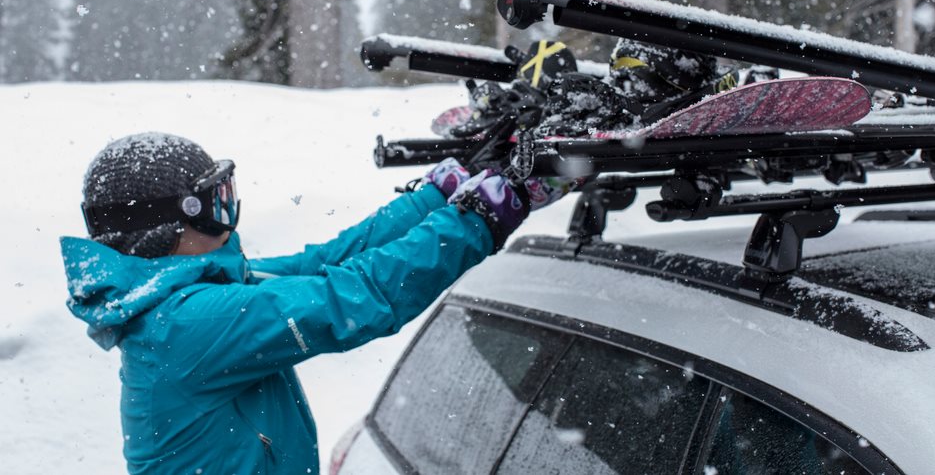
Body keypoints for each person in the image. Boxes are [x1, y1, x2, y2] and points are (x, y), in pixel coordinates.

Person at [61, 132, 574, 474]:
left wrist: (440, 196)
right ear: (169, 228)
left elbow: (328, 262)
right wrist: (480, 218)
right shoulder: (188, 323)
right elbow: (351, 295)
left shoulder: (192, 294)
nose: (229, 215)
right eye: (216, 202)